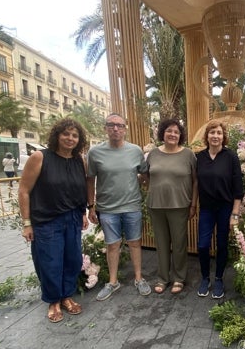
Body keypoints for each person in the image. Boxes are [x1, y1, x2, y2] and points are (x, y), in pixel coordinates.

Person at [18, 118, 89, 323]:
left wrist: (83, 212)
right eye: (66, 134)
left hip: (73, 218)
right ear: (57, 135)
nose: (70, 138)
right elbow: (24, 191)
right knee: (50, 262)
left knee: (73, 259)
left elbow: (79, 189)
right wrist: (26, 223)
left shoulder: (79, 160)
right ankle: (53, 301)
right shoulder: (40, 157)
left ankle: (67, 296)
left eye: (75, 135)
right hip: (47, 220)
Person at [87, 113, 152, 301]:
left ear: (125, 129)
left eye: (120, 125)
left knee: (134, 243)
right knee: (112, 245)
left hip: (132, 206)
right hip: (107, 208)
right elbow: (90, 180)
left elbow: (144, 174)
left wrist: (146, 189)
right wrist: (91, 206)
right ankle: (113, 282)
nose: (116, 128)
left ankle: (139, 278)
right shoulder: (95, 152)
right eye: (111, 125)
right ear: (105, 128)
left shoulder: (135, 151)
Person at [145, 118, 198, 295]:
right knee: (161, 244)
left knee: (179, 243)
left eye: (176, 131)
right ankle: (162, 278)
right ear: (162, 133)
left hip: (180, 205)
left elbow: (196, 181)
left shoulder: (188, 155)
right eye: (169, 130)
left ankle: (179, 278)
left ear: (180, 135)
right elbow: (146, 177)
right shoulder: (153, 154)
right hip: (156, 205)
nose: (172, 134)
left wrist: (193, 204)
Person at [195, 120, 243, 299]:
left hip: (225, 208)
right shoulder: (199, 157)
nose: (215, 136)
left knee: (222, 244)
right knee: (202, 245)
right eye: (212, 132)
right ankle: (205, 278)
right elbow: (195, 182)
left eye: (219, 133)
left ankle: (219, 278)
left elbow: (238, 187)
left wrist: (235, 214)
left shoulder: (230, 156)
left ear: (224, 136)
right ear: (207, 136)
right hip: (206, 209)